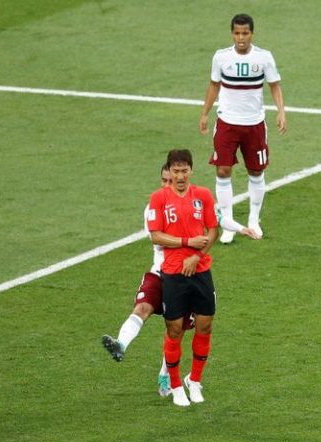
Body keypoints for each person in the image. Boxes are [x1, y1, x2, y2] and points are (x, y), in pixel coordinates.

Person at [101, 165, 259, 397]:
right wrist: (189, 240)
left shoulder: (193, 199)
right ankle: (121, 344)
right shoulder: (154, 207)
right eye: (165, 180)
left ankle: (165, 374)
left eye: (171, 179)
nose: (168, 184)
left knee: (178, 330)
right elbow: (161, 238)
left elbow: (215, 217)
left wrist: (241, 228)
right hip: (161, 272)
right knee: (142, 307)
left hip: (185, 276)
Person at [199, 13, 287, 244]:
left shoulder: (263, 57)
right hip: (227, 123)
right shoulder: (221, 57)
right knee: (222, 171)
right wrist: (205, 113)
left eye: (245, 33)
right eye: (237, 33)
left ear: (252, 34)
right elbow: (214, 85)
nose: (241, 38)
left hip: (254, 124)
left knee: (256, 172)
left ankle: (253, 219)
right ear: (232, 33)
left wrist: (281, 111)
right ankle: (228, 223)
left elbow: (275, 86)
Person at [147, 149, 218, 407]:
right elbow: (156, 236)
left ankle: (195, 381)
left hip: (200, 271)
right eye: (175, 171)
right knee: (174, 329)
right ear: (169, 171)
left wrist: (196, 257)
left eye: (184, 170)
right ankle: (175, 385)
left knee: (205, 324)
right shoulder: (158, 199)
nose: (180, 176)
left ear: (191, 171)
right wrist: (187, 243)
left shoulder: (203, 195)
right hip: (174, 274)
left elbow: (213, 231)